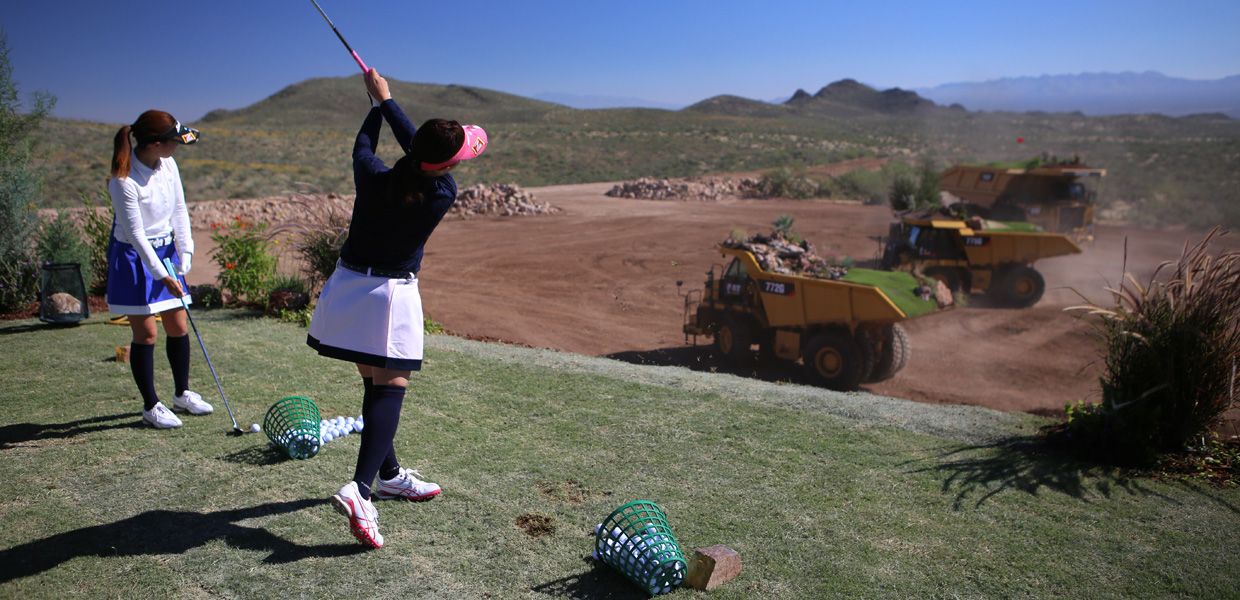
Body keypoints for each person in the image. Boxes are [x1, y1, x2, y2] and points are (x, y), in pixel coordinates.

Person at [307, 69, 487, 549]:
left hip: (347, 287)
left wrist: (376, 105)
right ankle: (360, 491)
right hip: (389, 296)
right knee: (392, 388)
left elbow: (368, 149)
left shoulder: (371, 174)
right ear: (447, 164)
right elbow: (422, 154)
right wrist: (387, 102)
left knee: (374, 383)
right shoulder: (442, 192)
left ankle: (387, 475)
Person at [107, 110, 213, 429]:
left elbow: (179, 208)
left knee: (178, 326)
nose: (177, 147)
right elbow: (137, 236)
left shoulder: (168, 164)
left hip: (165, 251)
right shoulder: (123, 181)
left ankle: (182, 393)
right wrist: (162, 274)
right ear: (154, 144)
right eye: (173, 142)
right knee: (147, 333)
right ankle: (151, 405)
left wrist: (187, 250)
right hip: (134, 259)